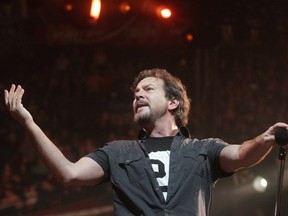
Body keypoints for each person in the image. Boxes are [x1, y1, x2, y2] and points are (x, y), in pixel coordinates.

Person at [4, 68, 288, 216]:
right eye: (135, 92)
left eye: (148, 89)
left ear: (173, 102)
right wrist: (29, 122)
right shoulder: (117, 152)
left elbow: (240, 154)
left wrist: (266, 138)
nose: (138, 94)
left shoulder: (203, 149)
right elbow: (68, 173)